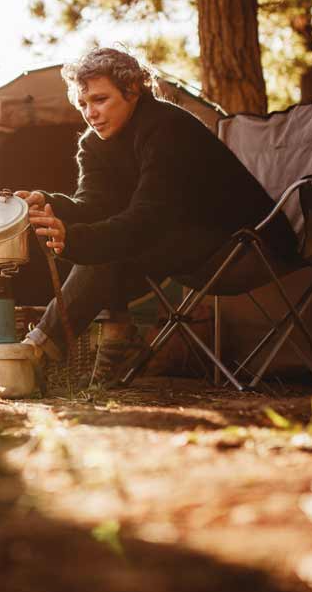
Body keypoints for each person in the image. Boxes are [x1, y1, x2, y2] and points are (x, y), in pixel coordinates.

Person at [16, 47, 296, 381]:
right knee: (108, 240)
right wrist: (50, 203)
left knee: (110, 245)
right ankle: (112, 343)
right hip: (186, 247)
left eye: (100, 100)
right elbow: (95, 205)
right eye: (83, 104)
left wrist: (73, 238)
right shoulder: (94, 145)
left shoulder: (168, 127)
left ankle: (37, 354)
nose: (91, 113)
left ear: (132, 89)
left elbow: (149, 219)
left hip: (244, 248)